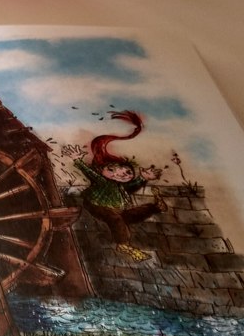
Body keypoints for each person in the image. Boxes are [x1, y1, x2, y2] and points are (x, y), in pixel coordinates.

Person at [62, 111, 166, 262]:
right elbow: (90, 173)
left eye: (127, 172)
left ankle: (155, 207)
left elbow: (131, 186)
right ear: (101, 170)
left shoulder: (121, 186)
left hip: (116, 209)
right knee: (116, 219)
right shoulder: (101, 181)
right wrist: (78, 161)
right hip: (97, 206)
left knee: (132, 214)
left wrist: (143, 178)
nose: (121, 174)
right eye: (112, 170)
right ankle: (123, 245)